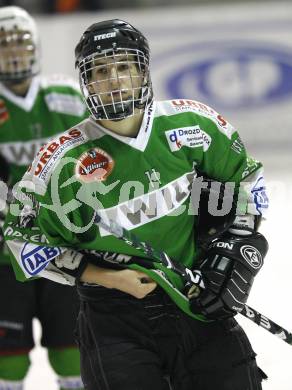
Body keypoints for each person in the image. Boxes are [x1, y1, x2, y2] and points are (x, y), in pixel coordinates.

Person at [4, 19, 270, 390]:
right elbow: (20, 236)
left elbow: (244, 180)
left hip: (194, 297)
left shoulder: (193, 125)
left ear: (143, 71)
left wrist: (235, 248)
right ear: (86, 81)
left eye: (123, 67)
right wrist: (104, 276)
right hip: (114, 319)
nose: (113, 79)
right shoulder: (59, 162)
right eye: (100, 71)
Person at [0, 6, 87, 390]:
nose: (14, 51)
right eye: (4, 43)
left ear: (35, 45)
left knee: (72, 349)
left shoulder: (66, 94)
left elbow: (104, 158)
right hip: (5, 254)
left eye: (20, 40)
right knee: (9, 359)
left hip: (64, 246)